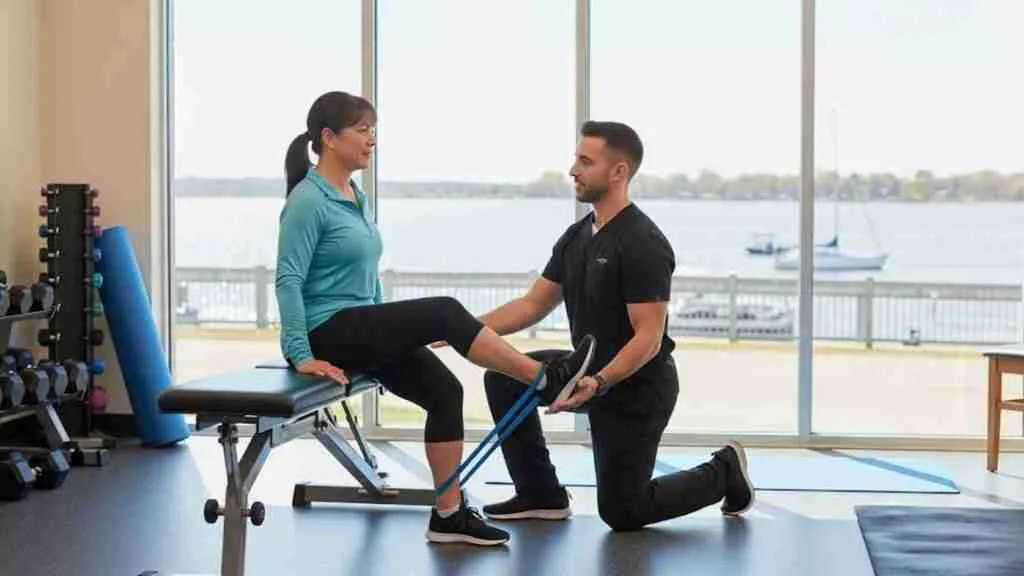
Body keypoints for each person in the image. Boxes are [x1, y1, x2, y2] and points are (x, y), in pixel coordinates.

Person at [275, 91, 598, 546]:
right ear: (328, 138)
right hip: (325, 331)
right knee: (444, 311)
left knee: (446, 392)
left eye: (374, 131)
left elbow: (365, 279)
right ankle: (545, 379)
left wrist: (390, 335)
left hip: (358, 328)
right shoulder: (308, 201)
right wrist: (299, 354)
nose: (372, 141)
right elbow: (288, 280)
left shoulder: (354, 195)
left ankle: (448, 515)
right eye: (363, 131)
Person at [476, 121, 755, 531]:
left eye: (585, 161)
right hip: (583, 370)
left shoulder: (643, 242)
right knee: (503, 378)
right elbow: (534, 304)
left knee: (623, 512)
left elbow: (649, 336)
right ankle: (540, 493)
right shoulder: (576, 236)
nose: (573, 170)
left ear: (619, 171)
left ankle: (724, 470)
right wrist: (468, 329)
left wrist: (602, 381)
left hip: (637, 387)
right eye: (576, 159)